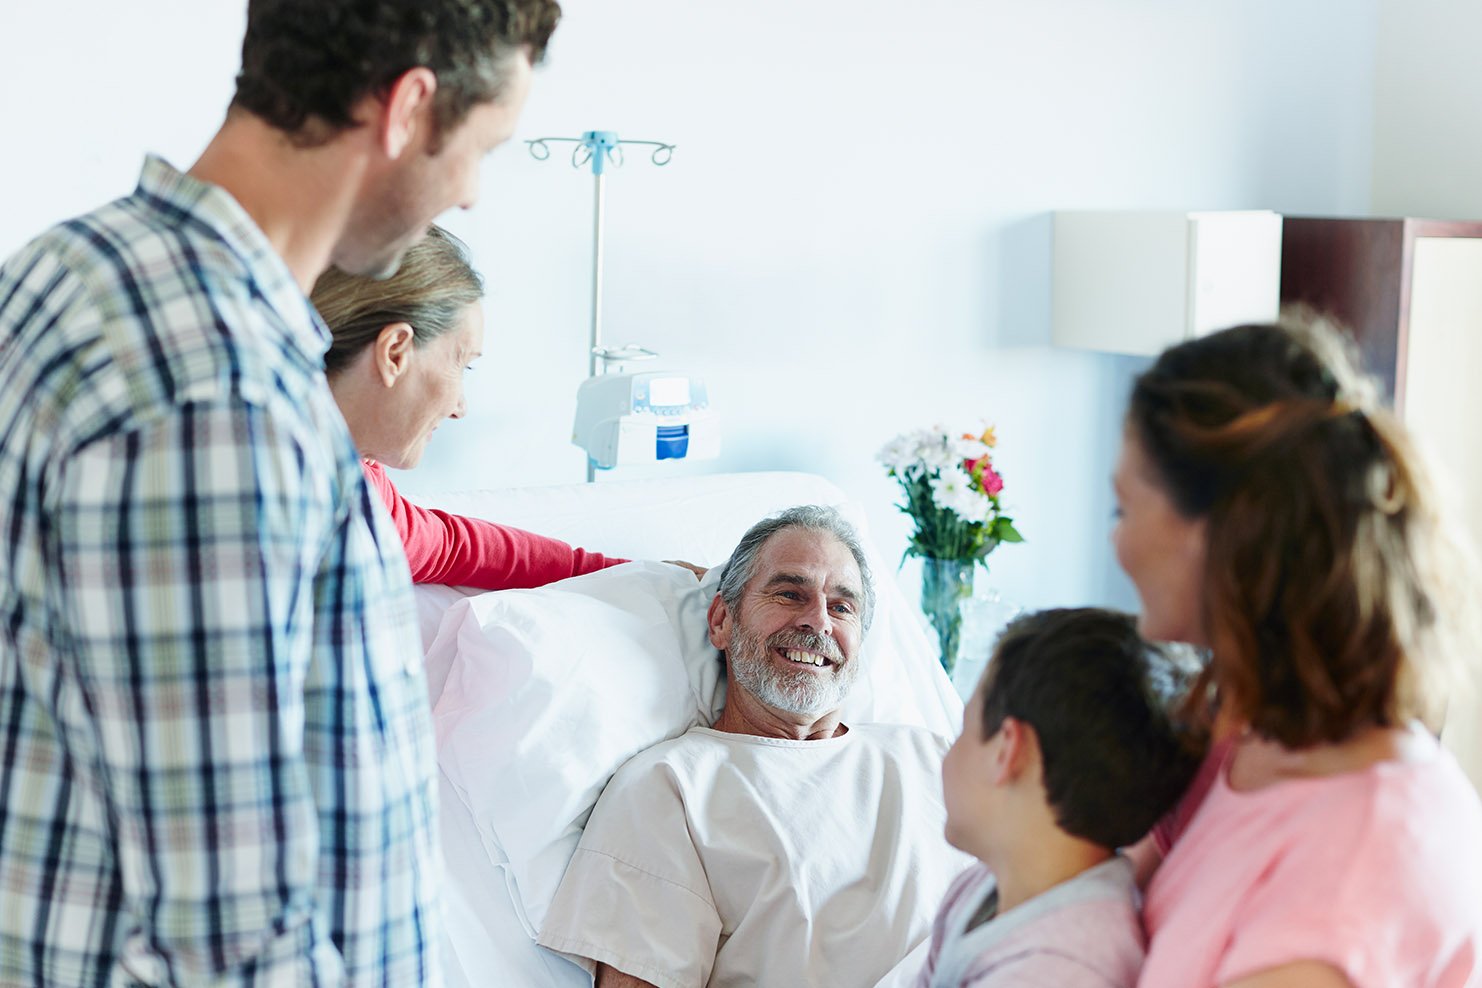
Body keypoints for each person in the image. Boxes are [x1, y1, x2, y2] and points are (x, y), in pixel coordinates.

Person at [0, 1, 560, 984]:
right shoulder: (219, 393)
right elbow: (233, 935)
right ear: (408, 109)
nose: (470, 195)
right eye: (483, 147)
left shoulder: (63, 272)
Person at [1111, 319, 1482, 987]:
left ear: (1216, 537)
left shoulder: (1362, 862)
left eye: (1123, 509)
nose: (1117, 545)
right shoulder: (1243, 737)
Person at [537, 505, 972, 988]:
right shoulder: (671, 788)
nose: (819, 622)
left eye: (842, 607)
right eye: (790, 593)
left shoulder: (933, 756)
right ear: (722, 620)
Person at [311, 225, 631, 589]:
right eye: (461, 363)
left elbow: (454, 548)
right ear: (395, 352)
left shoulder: (362, 482)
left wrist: (621, 573)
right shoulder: (303, 495)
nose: (459, 407)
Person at [915, 607, 1198, 988]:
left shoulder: (1063, 970)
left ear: (1006, 750)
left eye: (964, 728)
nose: (949, 754)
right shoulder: (978, 890)